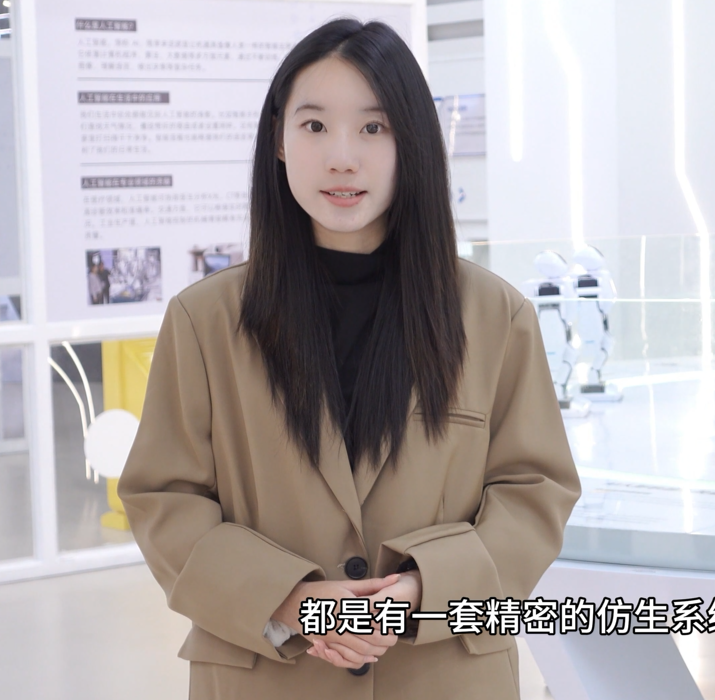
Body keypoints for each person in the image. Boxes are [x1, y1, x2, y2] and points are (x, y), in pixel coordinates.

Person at [118, 19, 580, 700]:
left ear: (412, 142)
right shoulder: (204, 320)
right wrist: (290, 599)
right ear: (279, 141)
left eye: (374, 127)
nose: (342, 157)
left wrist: (423, 591)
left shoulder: (494, 315)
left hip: (442, 673)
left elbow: (535, 493)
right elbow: (164, 499)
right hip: (271, 676)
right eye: (314, 126)